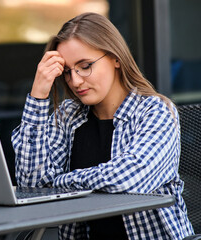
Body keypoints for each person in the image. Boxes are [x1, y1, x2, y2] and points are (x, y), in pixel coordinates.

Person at [11, 12, 194, 240]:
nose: (75, 81)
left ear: (116, 58)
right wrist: (38, 95)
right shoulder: (69, 116)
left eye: (85, 66)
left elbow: (128, 179)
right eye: (67, 72)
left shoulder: (155, 111)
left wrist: (58, 183)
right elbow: (32, 186)